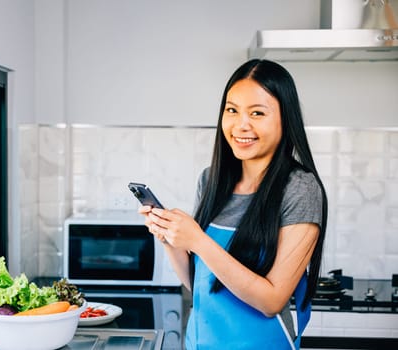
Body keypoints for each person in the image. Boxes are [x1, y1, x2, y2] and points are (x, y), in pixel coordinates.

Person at [138, 59, 327, 349]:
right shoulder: (211, 181)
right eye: (232, 110)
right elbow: (203, 283)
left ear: (284, 120)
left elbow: (272, 301)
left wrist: (198, 241)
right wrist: (170, 241)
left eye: (257, 113)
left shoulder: (299, 188)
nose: (241, 125)